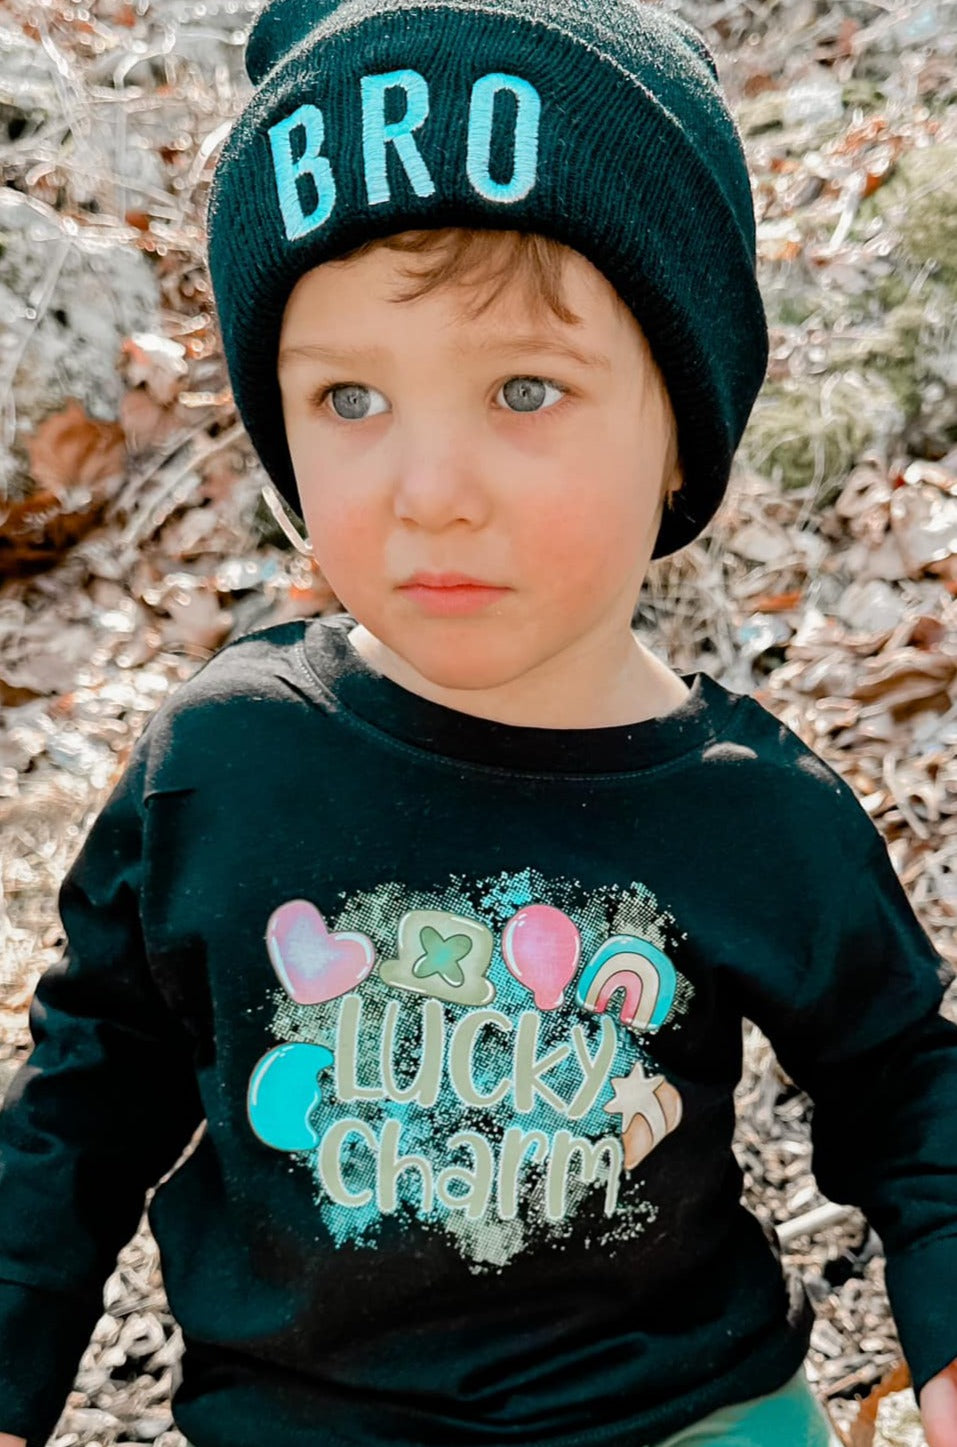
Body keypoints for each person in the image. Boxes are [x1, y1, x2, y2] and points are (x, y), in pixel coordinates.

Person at [1, 0, 956, 1444]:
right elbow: (86, 1093)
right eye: (349, 397)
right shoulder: (223, 764)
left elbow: (907, 1085)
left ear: (681, 431)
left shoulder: (748, 808)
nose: (430, 490)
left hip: (682, 1417)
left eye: (523, 389)